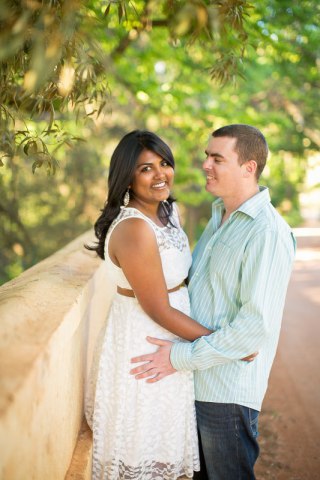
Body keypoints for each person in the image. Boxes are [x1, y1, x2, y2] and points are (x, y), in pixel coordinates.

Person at [130, 124, 296, 480]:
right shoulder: (218, 217)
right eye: (207, 156)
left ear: (248, 167)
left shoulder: (266, 231)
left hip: (227, 391)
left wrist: (178, 358)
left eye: (217, 158)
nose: (206, 164)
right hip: (197, 383)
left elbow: (253, 330)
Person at [84, 129, 217, 480]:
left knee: (166, 443)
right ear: (127, 176)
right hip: (147, 345)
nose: (160, 174)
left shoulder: (166, 214)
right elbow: (158, 308)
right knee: (146, 447)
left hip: (171, 340)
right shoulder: (135, 229)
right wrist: (219, 342)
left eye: (164, 163)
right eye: (146, 168)